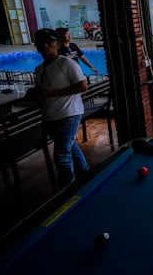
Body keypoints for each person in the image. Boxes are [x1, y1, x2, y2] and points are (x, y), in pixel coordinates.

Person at [24, 28, 90, 188]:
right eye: (41, 43)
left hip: (69, 114)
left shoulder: (67, 64)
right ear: (36, 45)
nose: (45, 46)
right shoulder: (39, 69)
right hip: (50, 116)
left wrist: (54, 92)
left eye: (50, 42)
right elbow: (41, 92)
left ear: (57, 44)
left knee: (61, 155)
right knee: (70, 147)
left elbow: (83, 86)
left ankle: (67, 192)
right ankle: (86, 175)